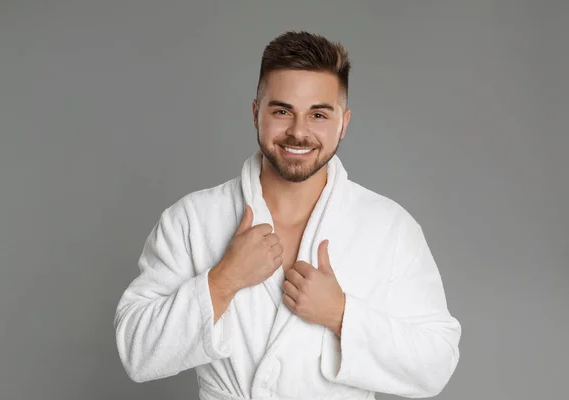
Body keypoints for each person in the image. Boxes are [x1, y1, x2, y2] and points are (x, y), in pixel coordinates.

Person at [114, 31, 462, 400]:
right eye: (282, 111)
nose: (298, 132)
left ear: (343, 123)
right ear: (255, 114)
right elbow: (137, 353)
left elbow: (436, 365)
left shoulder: (390, 228)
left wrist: (342, 315)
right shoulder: (191, 220)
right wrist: (222, 281)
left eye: (318, 114)